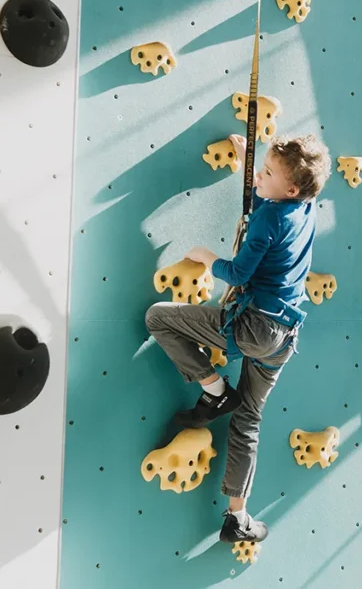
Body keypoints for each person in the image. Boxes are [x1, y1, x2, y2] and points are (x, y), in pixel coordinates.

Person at [145, 132, 331, 545]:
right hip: (284, 336)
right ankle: (238, 517)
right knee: (249, 419)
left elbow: (237, 274)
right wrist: (253, 160)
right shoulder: (306, 207)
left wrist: (207, 258)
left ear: (292, 188)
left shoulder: (269, 217)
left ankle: (214, 390)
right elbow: (280, 189)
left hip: (253, 328)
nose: (259, 176)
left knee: (158, 317)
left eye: (266, 173)